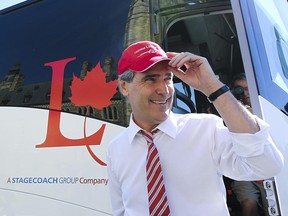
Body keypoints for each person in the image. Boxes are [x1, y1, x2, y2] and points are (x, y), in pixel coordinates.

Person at [106, 41, 283, 216]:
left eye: (168, 78)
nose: (164, 89)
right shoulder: (116, 149)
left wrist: (212, 86)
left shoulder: (206, 129)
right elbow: (121, 211)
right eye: (150, 79)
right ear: (124, 86)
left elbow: (267, 165)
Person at [231, 73, 270, 216]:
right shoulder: (231, 109)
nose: (245, 93)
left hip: (268, 170)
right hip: (245, 171)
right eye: (239, 89)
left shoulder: (266, 105)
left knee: (272, 207)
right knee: (248, 205)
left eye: (248, 88)